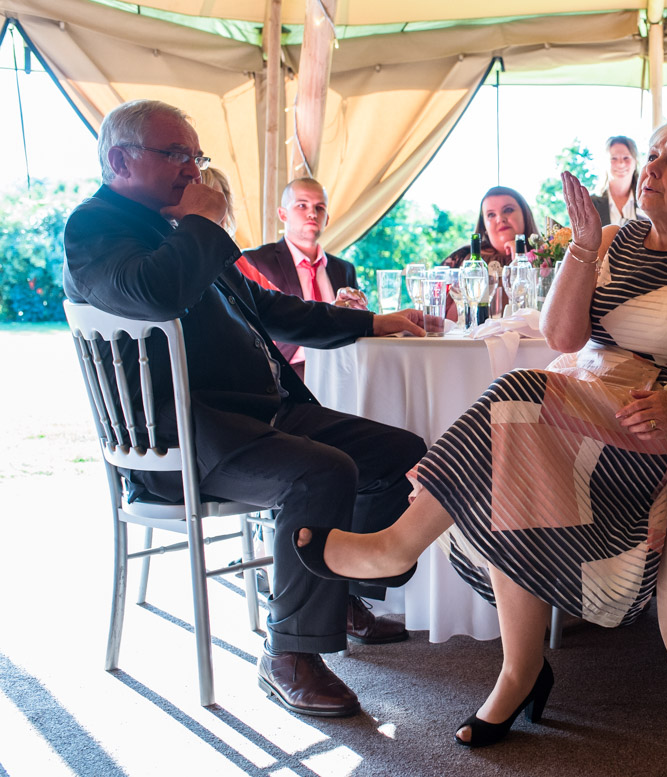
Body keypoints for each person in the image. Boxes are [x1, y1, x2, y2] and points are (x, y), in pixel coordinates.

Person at [293, 115, 667, 747]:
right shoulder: (613, 236)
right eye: (652, 154)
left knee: (516, 397)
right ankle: (518, 671)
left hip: (650, 424)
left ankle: (399, 546)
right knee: (517, 453)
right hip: (578, 403)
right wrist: (585, 245)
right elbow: (563, 339)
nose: (652, 166)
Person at [62, 99, 430, 719]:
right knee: (323, 472)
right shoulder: (94, 230)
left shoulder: (178, 232)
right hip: (183, 432)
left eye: (195, 155)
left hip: (262, 415)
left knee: (401, 454)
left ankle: (332, 584)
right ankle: (288, 654)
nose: (192, 170)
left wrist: (373, 320)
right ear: (120, 159)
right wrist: (203, 226)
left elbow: (274, 309)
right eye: (175, 154)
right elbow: (155, 294)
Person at [242, 178, 366, 380]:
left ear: (326, 219)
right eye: (302, 205)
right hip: (285, 374)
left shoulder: (345, 269)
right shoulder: (257, 261)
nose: (312, 213)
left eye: (320, 208)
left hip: (344, 367)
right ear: (283, 214)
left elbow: (354, 323)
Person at [200, 167, 281, 293]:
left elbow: (270, 296)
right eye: (206, 203)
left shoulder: (234, 260)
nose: (217, 212)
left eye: (220, 202)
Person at [441, 186, 540, 268]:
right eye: (491, 215)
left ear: (525, 216)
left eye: (508, 210)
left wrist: (522, 257)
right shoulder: (461, 257)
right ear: (484, 227)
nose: (500, 219)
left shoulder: (548, 255)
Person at [590, 135, 642, 225]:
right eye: (614, 158)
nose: (621, 164)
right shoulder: (590, 204)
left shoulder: (646, 200)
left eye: (626, 158)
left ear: (635, 161)